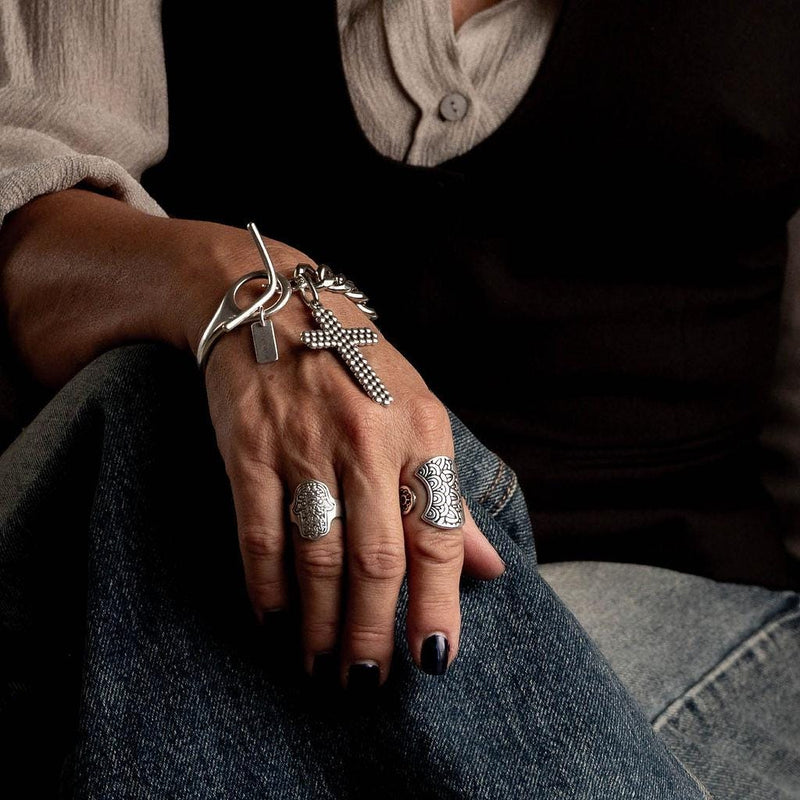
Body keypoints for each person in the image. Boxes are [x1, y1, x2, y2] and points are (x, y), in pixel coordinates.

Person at [0, 1, 798, 798]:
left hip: (685, 602)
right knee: (150, 410)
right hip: (236, 572)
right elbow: (23, 216)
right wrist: (241, 294)